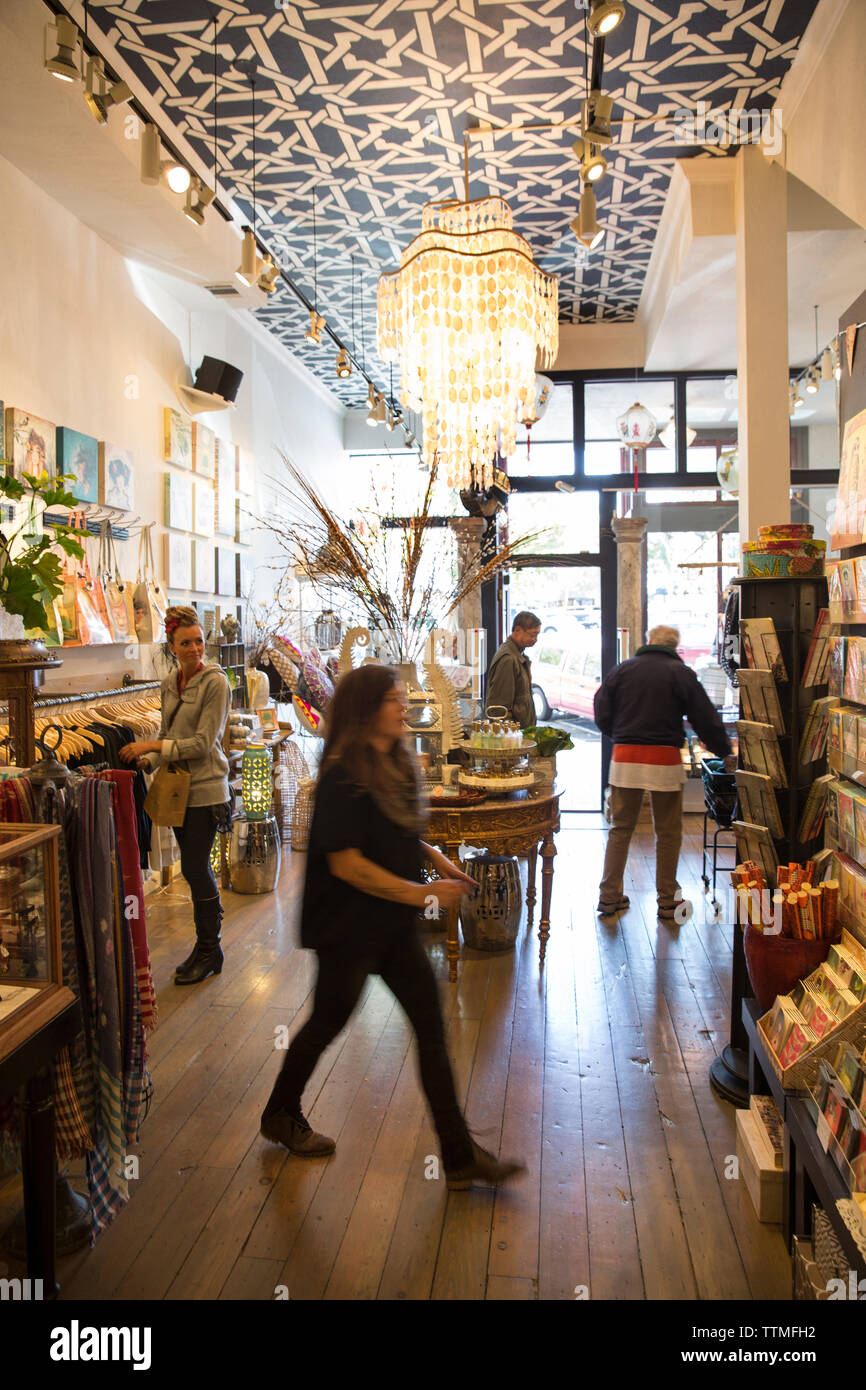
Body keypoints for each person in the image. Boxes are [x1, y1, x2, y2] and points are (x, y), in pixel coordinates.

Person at [259, 664, 525, 1191]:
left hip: (389, 924)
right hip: (348, 927)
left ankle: (458, 1155)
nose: (404, 707)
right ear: (367, 710)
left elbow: (392, 832)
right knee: (326, 1024)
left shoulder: (392, 761)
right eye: (393, 700)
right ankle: (280, 1114)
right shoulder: (342, 774)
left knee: (430, 1029)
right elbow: (349, 864)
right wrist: (424, 894)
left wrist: (433, 859)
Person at [120, 605, 231, 983]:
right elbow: (171, 736)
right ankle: (207, 949)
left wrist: (150, 747)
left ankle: (209, 949)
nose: (195, 649)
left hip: (207, 789)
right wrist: (149, 763)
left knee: (195, 868)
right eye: (185, 642)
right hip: (178, 790)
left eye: (199, 641)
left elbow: (202, 743)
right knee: (194, 867)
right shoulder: (170, 684)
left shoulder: (216, 683)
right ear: (171, 645)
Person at [593, 624, 733, 922]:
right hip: (665, 761)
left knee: (621, 829)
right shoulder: (681, 674)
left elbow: (601, 710)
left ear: (649, 642)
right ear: (675, 646)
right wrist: (725, 752)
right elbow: (704, 719)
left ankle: (609, 897)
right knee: (668, 832)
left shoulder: (622, 670)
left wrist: (618, 734)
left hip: (626, 757)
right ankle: (667, 900)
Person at [485, 611, 542, 727]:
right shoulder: (509, 659)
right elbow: (499, 708)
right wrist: (508, 737)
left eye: (537, 635)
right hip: (513, 737)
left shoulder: (518, 656)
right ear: (517, 630)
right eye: (532, 634)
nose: (535, 639)